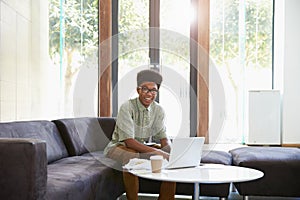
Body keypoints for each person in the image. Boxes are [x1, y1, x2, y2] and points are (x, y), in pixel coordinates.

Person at [104, 69, 176, 200]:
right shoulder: (127, 107)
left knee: (170, 159)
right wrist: (158, 153)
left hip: (141, 146)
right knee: (131, 155)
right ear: (138, 90)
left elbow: (164, 138)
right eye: (145, 89)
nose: (149, 93)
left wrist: (171, 154)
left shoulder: (158, 110)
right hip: (118, 147)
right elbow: (129, 142)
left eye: (153, 90)